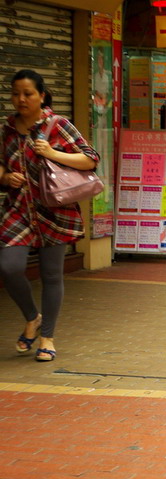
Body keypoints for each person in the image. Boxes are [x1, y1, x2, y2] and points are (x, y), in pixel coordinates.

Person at [0, 69, 99, 362]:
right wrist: (6, 178)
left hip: (55, 209)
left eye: (28, 94)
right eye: (16, 93)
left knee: (52, 274)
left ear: (41, 96)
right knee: (9, 267)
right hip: (18, 209)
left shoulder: (58, 125)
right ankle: (32, 317)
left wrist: (53, 153)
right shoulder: (7, 129)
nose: (21, 99)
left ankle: (47, 337)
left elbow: (90, 159)